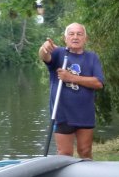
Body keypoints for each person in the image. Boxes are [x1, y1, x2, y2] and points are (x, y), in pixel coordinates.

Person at [38, 22, 104, 159]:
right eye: (71, 34)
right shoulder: (58, 53)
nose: (75, 37)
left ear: (85, 38)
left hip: (85, 113)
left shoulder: (92, 57)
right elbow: (44, 56)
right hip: (62, 113)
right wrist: (44, 49)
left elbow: (98, 83)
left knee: (85, 151)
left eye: (79, 34)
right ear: (65, 38)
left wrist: (70, 77)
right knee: (65, 154)